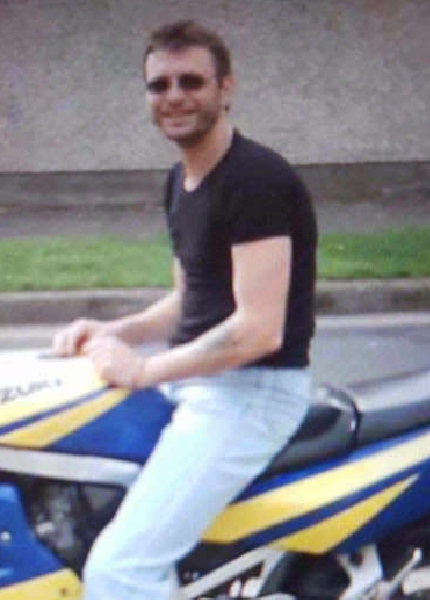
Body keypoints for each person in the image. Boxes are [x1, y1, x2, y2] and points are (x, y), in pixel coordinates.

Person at [52, 20, 317, 600]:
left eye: (191, 82)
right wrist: (113, 331)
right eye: (159, 85)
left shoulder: (255, 179)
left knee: (120, 570)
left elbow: (257, 330)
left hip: (250, 392)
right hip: (200, 383)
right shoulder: (182, 180)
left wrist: (144, 370)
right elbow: (188, 301)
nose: (173, 96)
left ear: (226, 88)